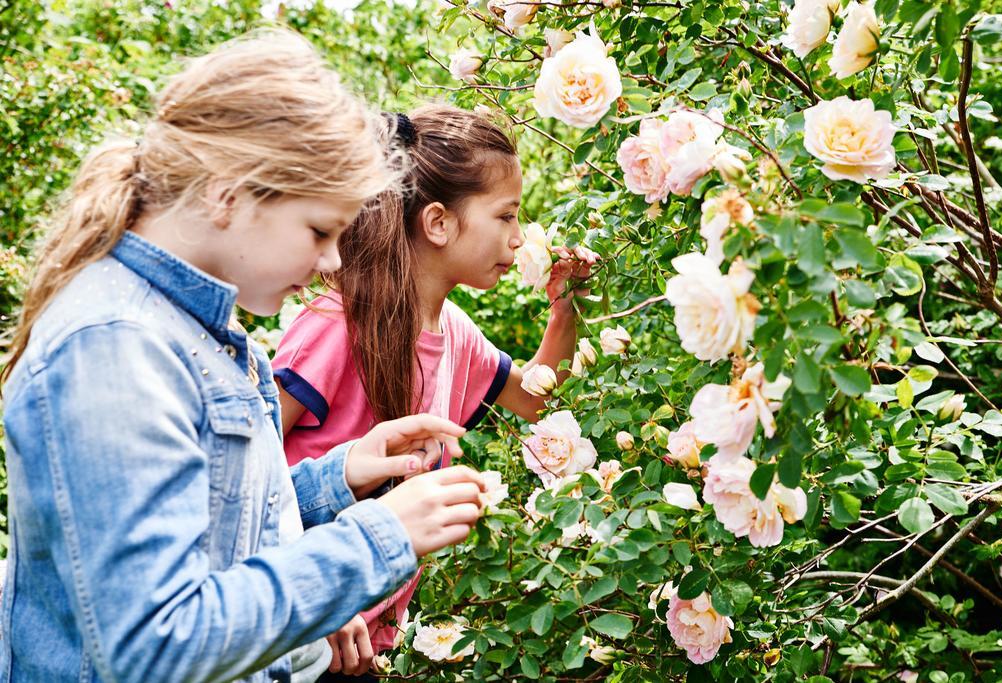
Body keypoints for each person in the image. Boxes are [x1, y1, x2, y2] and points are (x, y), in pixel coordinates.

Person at [0, 31, 486, 683]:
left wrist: (335, 477)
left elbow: (203, 520)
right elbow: (157, 643)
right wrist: (376, 538)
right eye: (319, 230)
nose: (332, 263)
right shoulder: (115, 348)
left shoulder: (192, 326)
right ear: (227, 193)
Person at [271, 104, 597, 679]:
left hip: (369, 652)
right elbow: (245, 471)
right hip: (295, 633)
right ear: (440, 223)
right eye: (505, 216)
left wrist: (564, 305)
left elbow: (537, 398)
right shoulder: (334, 326)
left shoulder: (455, 334)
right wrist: (311, 593)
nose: (519, 238)